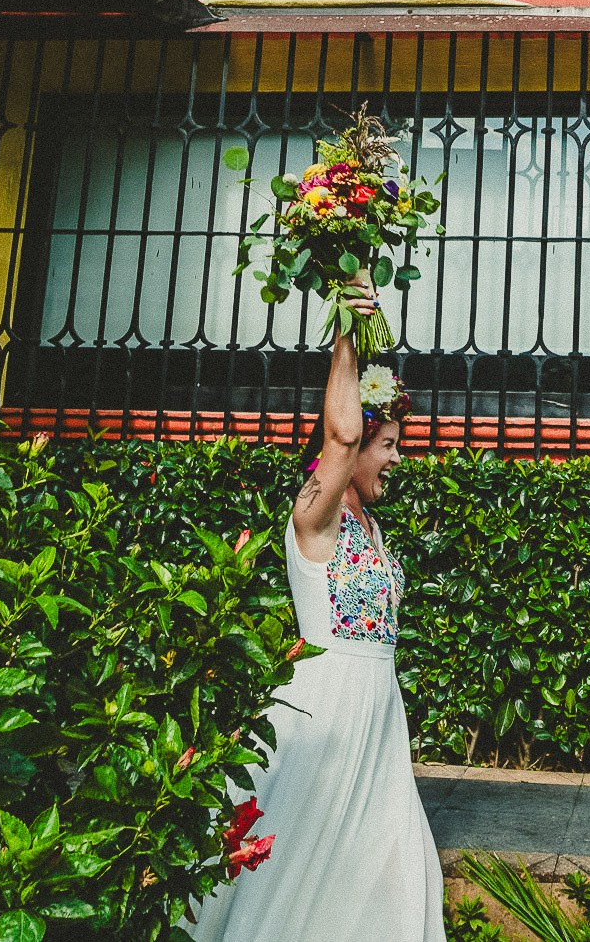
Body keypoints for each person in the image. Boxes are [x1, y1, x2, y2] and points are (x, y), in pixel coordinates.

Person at [188, 280, 445, 941]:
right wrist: (346, 334)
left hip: (378, 716)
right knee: (303, 870)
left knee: (398, 866)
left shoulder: (373, 527)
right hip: (323, 711)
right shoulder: (315, 516)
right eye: (387, 444)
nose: (396, 457)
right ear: (356, 449)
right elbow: (340, 432)